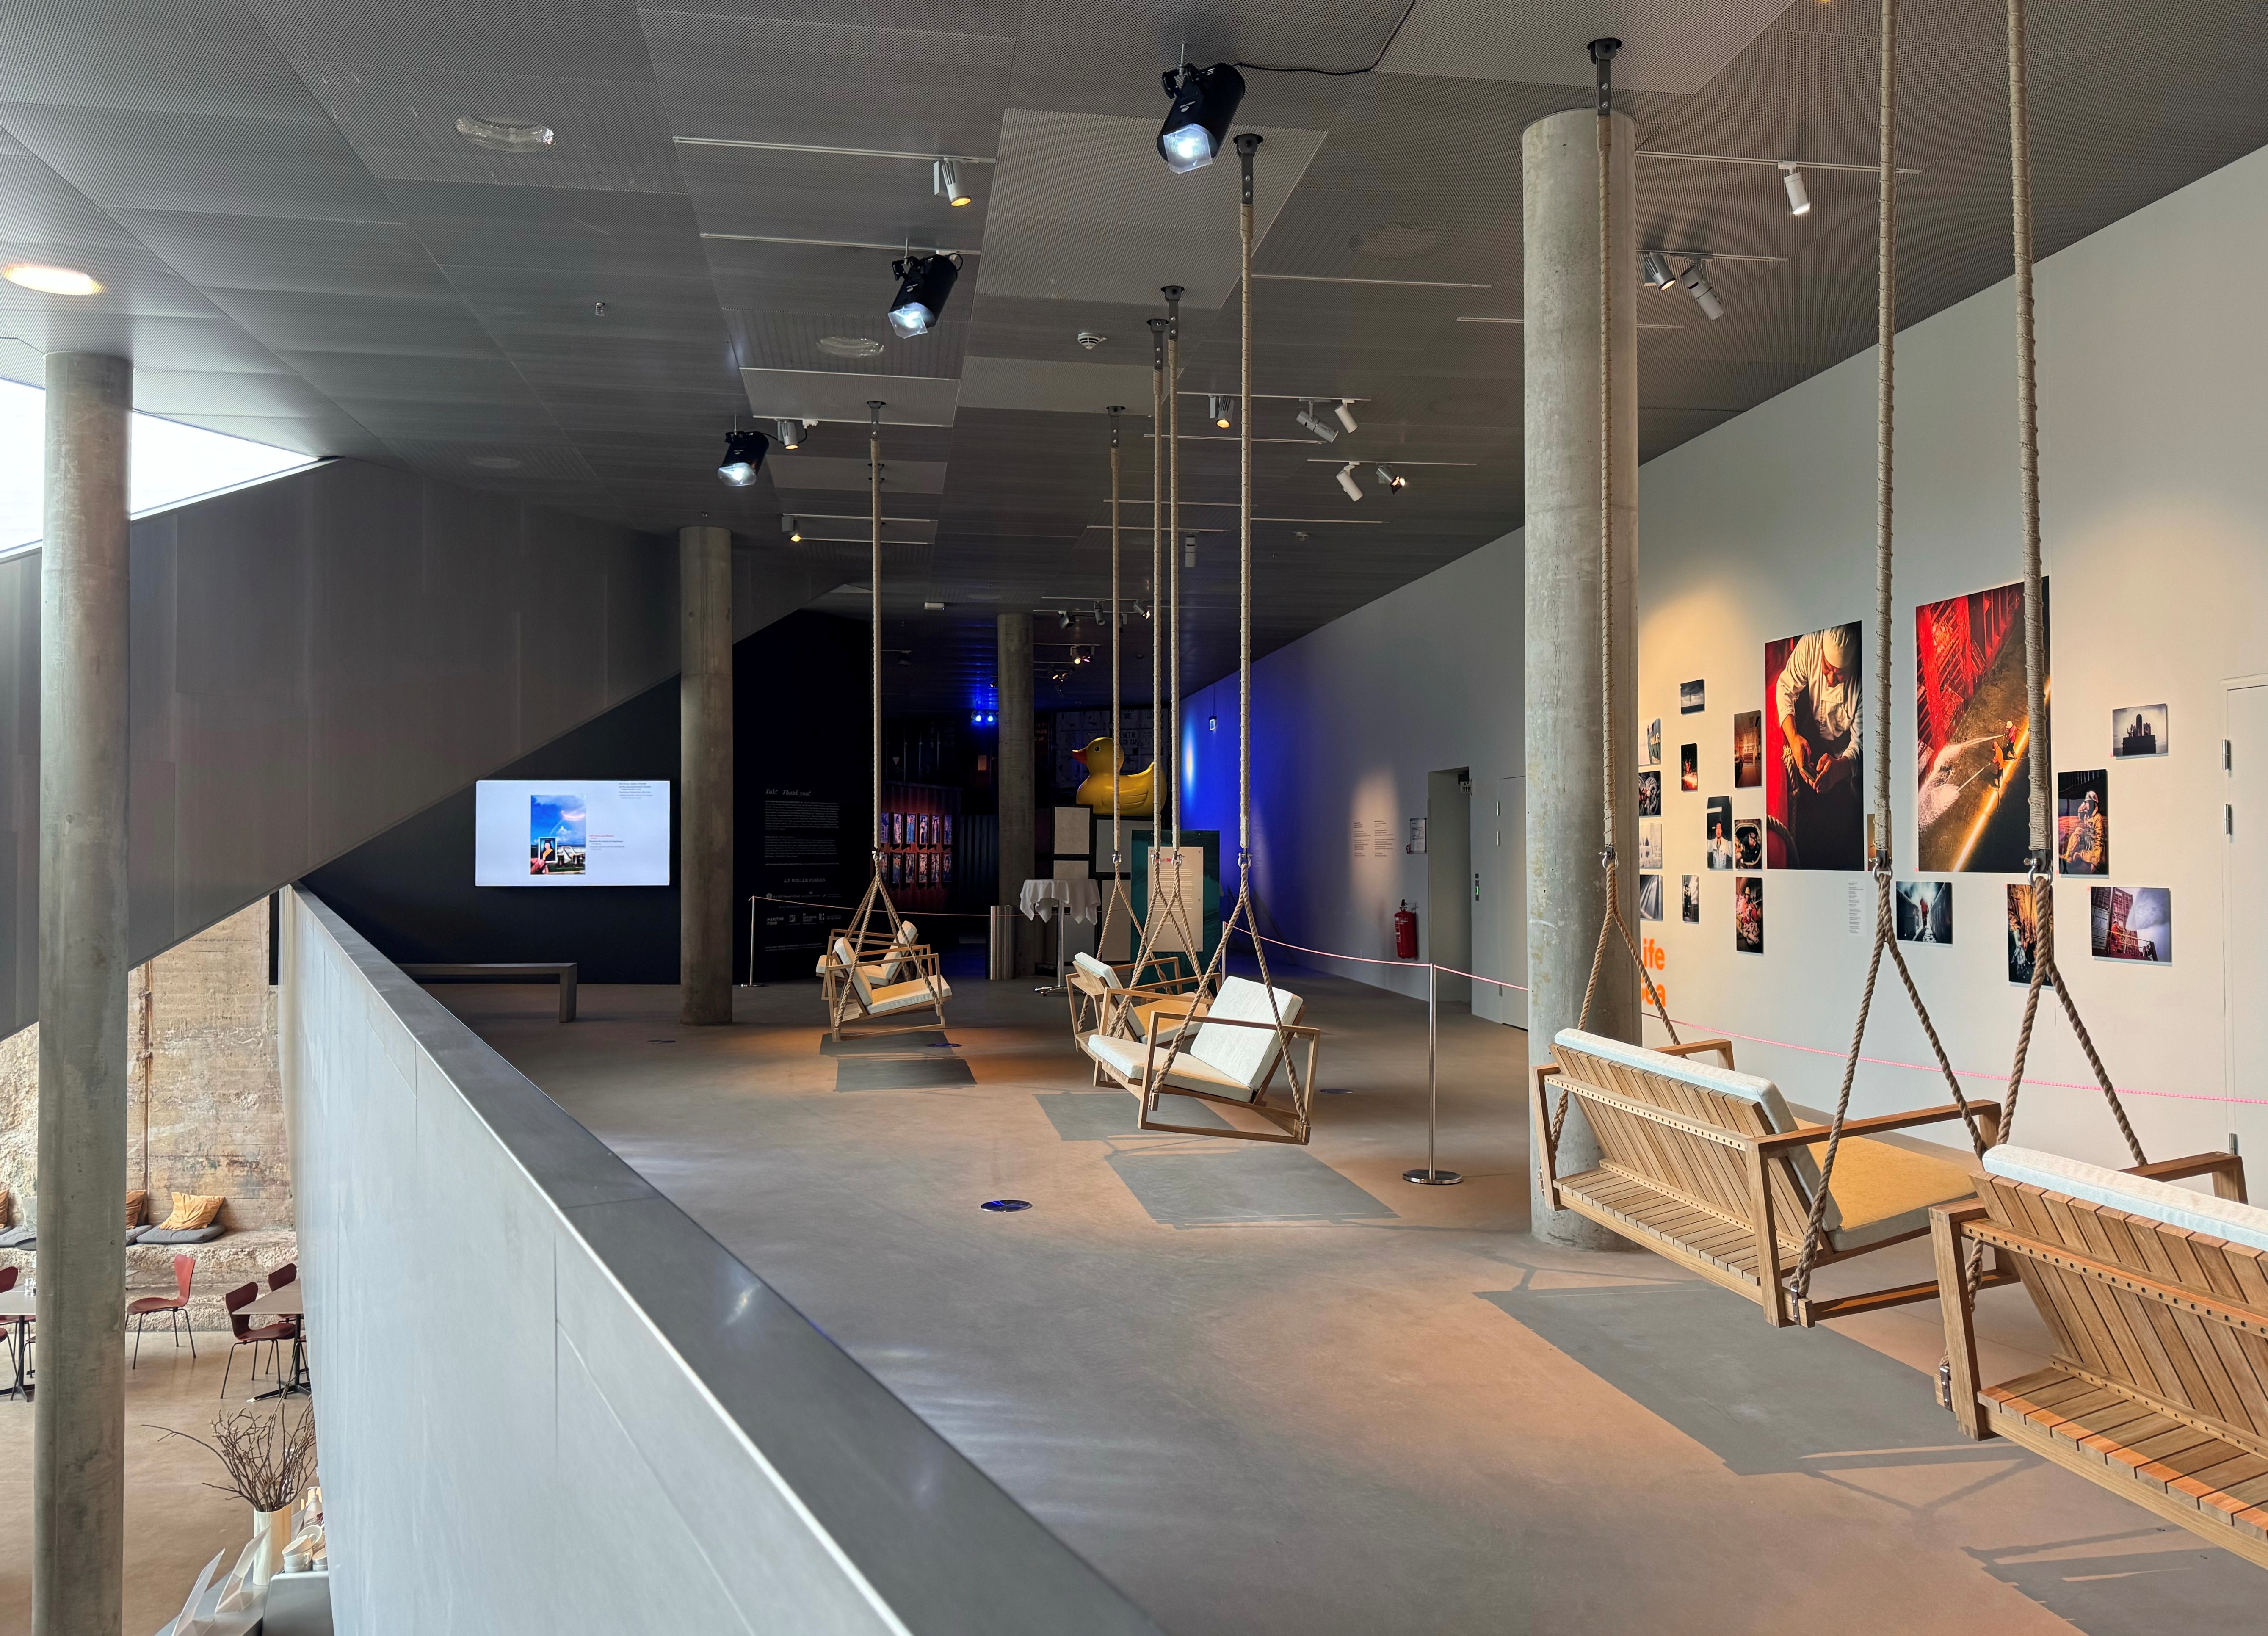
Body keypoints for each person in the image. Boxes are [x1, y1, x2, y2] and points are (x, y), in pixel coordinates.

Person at [1775, 624, 1862, 868]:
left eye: (1840, 673)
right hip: (1812, 731)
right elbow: (1785, 689)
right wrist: (1794, 739)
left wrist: (1840, 769)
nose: (1832, 679)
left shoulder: (1865, 678)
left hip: (1843, 746)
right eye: (1827, 669)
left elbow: (1860, 745)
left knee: (1849, 814)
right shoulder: (1811, 645)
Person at [2060, 788, 2104, 873]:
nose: (2086, 804)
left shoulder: (2098, 817)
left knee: (2097, 858)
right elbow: (2081, 821)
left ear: (2093, 804)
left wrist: (2095, 860)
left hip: (2094, 843)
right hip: (2087, 839)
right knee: (2078, 831)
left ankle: (2081, 855)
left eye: (2088, 802)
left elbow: (2099, 840)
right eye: (2086, 802)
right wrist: (2080, 812)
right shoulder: (2087, 816)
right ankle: (2068, 855)